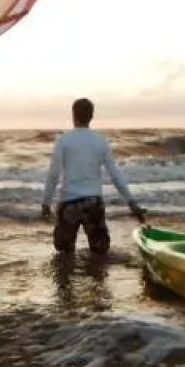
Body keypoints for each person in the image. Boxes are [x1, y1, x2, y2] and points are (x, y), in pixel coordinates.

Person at [41, 97, 146, 256]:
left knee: (64, 254)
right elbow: (115, 175)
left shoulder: (64, 141)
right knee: (99, 252)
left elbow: (53, 174)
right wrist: (131, 202)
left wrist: (45, 203)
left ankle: (67, 278)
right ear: (91, 116)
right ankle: (97, 278)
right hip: (93, 202)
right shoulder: (100, 141)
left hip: (69, 203)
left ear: (73, 115)